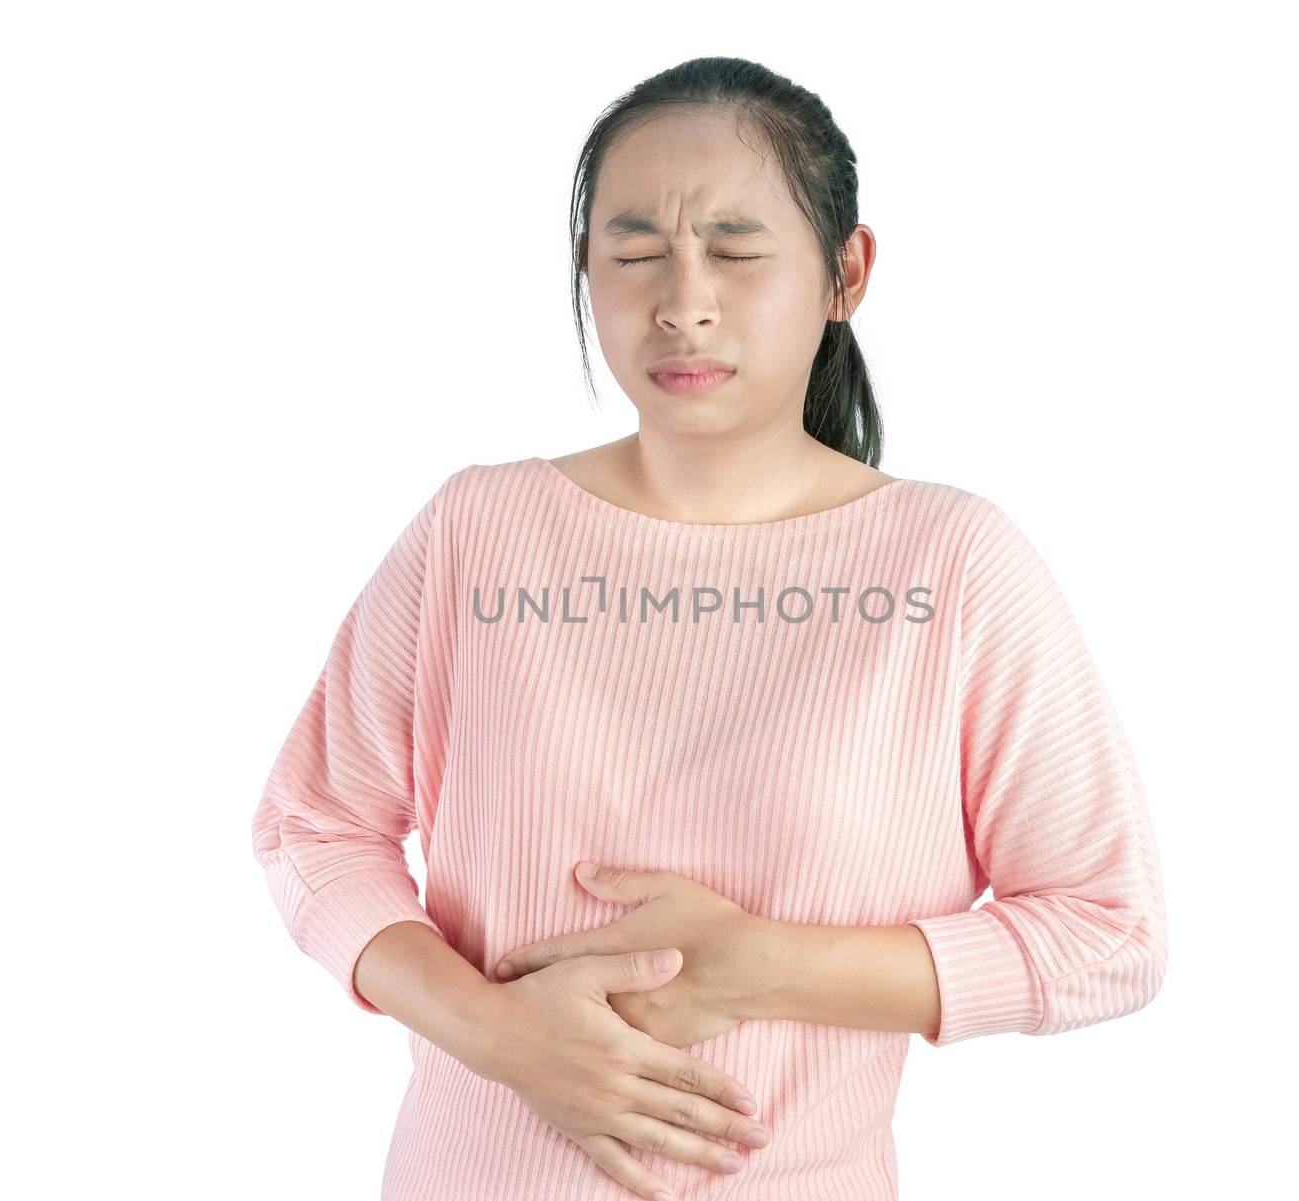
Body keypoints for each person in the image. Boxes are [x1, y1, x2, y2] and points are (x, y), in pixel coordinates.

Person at [251, 56, 1167, 1201]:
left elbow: (1107, 931)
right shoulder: (475, 532)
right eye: (635, 251)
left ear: (846, 273)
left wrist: (760, 969)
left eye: (734, 250)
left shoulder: (952, 568)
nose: (682, 299)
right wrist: (495, 1032)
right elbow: (312, 828)